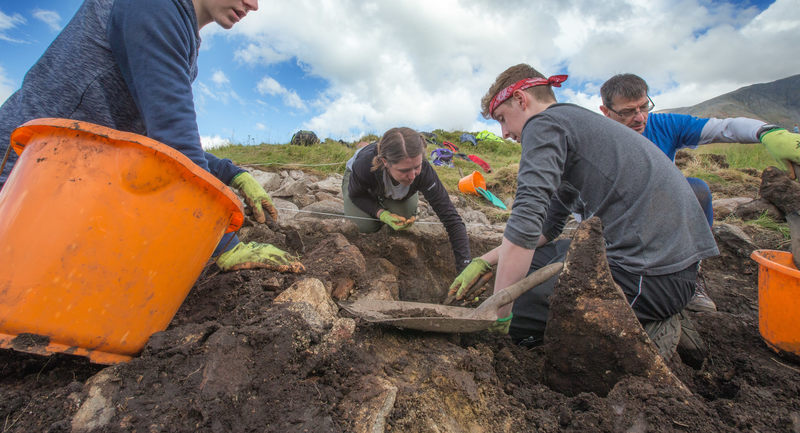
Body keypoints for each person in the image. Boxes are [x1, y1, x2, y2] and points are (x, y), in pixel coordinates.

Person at [0, 0, 303, 273]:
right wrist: (224, 245)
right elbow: (176, 145)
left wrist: (232, 173)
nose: (253, 4)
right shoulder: (153, 7)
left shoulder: (177, 28)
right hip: (21, 182)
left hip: (67, 182)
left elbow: (151, 139)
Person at [450, 64, 719, 361]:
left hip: (653, 276)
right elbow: (548, 226)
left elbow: (525, 221)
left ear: (521, 99)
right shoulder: (572, 123)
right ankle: (639, 317)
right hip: (654, 262)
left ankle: (643, 333)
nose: (503, 133)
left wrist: (499, 312)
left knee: (521, 309)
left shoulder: (543, 125)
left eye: (502, 118)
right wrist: (485, 262)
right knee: (538, 262)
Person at [599, 73, 800, 311]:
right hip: (614, 222)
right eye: (628, 112)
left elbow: (725, 128)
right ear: (606, 111)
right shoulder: (596, 138)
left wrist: (768, 132)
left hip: (661, 212)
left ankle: (690, 277)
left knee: (697, 190)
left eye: (644, 106)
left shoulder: (663, 125)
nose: (640, 117)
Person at [343, 127, 472, 272]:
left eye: (416, 167)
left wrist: (465, 267)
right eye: (404, 170)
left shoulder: (423, 172)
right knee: (366, 226)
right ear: (385, 161)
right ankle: (378, 202)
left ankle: (392, 193)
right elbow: (356, 195)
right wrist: (381, 213)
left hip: (393, 185)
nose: (412, 176)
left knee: (403, 218)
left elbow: (451, 219)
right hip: (364, 185)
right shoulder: (364, 164)